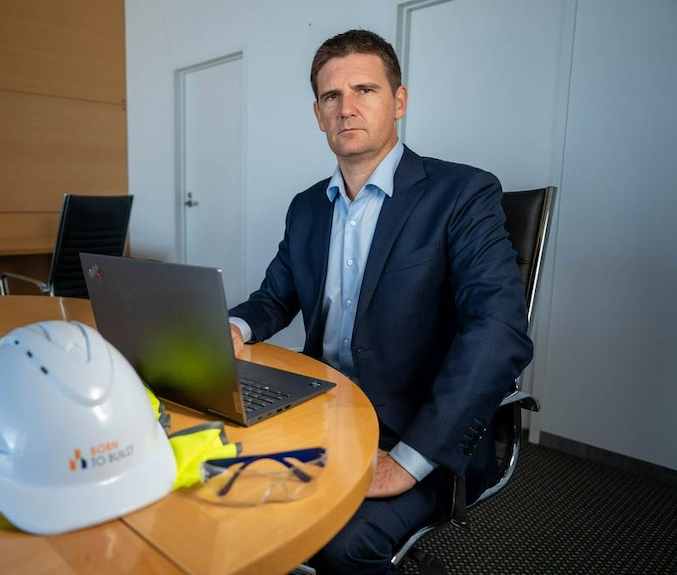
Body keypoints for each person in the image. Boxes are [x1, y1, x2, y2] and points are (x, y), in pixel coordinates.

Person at [228, 29, 533, 574]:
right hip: (323, 411)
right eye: (331, 97)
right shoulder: (306, 209)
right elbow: (274, 296)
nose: (347, 108)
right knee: (221, 481)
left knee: (340, 545)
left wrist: (409, 462)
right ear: (318, 114)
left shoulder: (462, 194)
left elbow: (498, 330)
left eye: (365, 90)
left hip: (415, 425)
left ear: (398, 101)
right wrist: (236, 327)